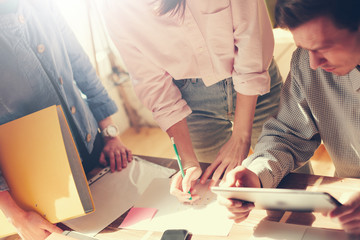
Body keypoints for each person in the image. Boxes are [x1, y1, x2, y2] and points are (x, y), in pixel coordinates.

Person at [102, 0, 283, 202]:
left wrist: (241, 135)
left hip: (257, 79)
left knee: (289, 177)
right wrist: (187, 162)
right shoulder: (115, 8)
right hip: (191, 99)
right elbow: (153, 84)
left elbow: (252, 39)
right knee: (218, 193)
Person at [218, 0, 360, 234]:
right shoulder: (306, 63)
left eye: (323, 47)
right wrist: (256, 176)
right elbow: (288, 135)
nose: (314, 63)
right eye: (305, 48)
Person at [0, 0, 132, 238]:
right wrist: (15, 216)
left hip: (95, 148)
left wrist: (110, 132)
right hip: (42, 189)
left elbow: (82, 69)